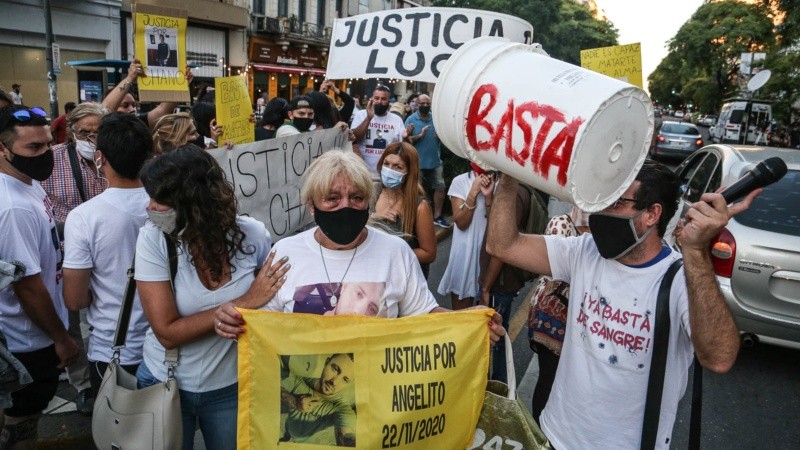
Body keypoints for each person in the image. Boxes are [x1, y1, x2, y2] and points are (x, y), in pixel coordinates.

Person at [486, 160, 756, 449]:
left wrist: (696, 251)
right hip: (555, 435)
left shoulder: (681, 278)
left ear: (652, 213)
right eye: (602, 202)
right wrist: (509, 176)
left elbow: (719, 357)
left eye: (615, 203)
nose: (600, 213)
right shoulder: (584, 252)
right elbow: (502, 245)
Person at [213, 150, 504, 341]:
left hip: (379, 406)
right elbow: (263, 326)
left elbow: (426, 315)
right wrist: (231, 316)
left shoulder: (396, 251)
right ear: (311, 206)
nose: (345, 206)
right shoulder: (286, 254)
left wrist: (471, 321)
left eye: (356, 198)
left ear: (369, 201)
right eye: (332, 198)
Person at [133, 145, 284, 450]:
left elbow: (270, 300)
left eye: (160, 200)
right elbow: (166, 332)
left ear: (194, 202)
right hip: (166, 382)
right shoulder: (153, 239)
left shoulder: (252, 235)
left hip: (232, 386)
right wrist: (242, 303)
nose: (150, 208)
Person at [0, 105, 79, 448]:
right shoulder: (11, 206)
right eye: (33, 148)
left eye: (48, 144)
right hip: (28, 339)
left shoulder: (26, 183)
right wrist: (61, 338)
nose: (45, 154)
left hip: (34, 334)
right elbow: (28, 287)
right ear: (3, 149)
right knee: (24, 417)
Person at [62, 113, 153, 398]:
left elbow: (75, 300)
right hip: (169, 344)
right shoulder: (173, 204)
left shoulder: (84, 217)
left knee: (120, 435)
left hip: (114, 349)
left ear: (100, 158)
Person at [40, 102, 107, 414]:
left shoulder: (110, 159)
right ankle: (82, 384)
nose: (90, 139)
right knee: (73, 321)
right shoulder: (52, 160)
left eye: (97, 133)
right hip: (69, 254)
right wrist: (78, 222)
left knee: (104, 314)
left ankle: (107, 372)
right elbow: (43, 201)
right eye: (84, 133)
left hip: (106, 253)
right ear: (71, 133)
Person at [526, 206, 589, 421]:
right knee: (549, 379)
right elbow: (554, 272)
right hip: (551, 316)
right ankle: (538, 432)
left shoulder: (602, 233)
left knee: (568, 382)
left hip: (577, 321)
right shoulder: (561, 223)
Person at [478, 182, 536, 383]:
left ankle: (498, 384)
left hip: (499, 282)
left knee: (493, 335)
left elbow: (501, 249)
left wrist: (486, 286)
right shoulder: (512, 190)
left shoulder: (516, 193)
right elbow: (496, 226)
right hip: (500, 281)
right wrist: (489, 200)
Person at [370, 142, 436, 278]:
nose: (389, 170)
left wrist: (390, 253)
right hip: (374, 275)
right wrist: (373, 217)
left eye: (397, 167)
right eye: (386, 164)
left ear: (409, 172)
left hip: (404, 279)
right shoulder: (372, 192)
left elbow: (429, 254)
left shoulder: (419, 207)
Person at [438, 163, 494, 310]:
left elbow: (496, 224)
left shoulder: (500, 184)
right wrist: (473, 192)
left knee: (486, 320)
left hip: (490, 260)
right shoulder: (460, 181)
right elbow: (461, 222)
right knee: (461, 317)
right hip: (464, 260)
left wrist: (489, 197)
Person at [280, 353, 356, 446]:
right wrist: (294, 401)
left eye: (345, 379)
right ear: (326, 363)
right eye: (335, 369)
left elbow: (346, 435)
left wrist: (349, 442)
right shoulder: (300, 379)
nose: (334, 382)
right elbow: (274, 385)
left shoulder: (341, 409)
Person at [102, 58, 191, 129]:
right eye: (125, 105)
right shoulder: (104, 127)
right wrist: (130, 77)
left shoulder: (139, 125)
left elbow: (164, 108)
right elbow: (104, 110)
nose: (132, 109)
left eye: (134, 105)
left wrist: (182, 84)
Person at [404, 94, 448, 228]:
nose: (425, 105)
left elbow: (445, 137)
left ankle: (438, 216)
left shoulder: (436, 119)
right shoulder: (411, 120)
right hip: (418, 162)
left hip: (435, 161)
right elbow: (405, 141)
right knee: (417, 191)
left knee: (440, 188)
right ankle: (417, 218)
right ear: (417, 104)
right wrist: (419, 135)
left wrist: (442, 136)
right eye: (422, 103)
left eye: (427, 103)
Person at [350, 85, 406, 177]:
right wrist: (368, 118)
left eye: (383, 99)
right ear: (371, 99)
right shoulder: (361, 115)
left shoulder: (397, 119)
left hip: (387, 172)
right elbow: (355, 138)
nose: (379, 101)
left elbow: (402, 145)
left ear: (389, 101)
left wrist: (406, 137)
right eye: (376, 98)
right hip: (363, 171)